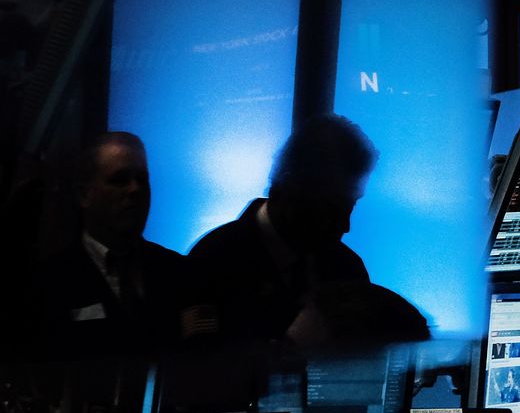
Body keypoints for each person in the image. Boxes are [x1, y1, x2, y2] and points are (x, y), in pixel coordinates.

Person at [186, 113, 378, 345]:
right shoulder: (212, 262)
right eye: (332, 207)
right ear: (291, 187)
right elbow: (201, 361)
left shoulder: (347, 269)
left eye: (350, 205)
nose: (345, 226)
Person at [37, 132, 190, 360]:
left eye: (142, 179)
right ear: (84, 195)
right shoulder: (46, 283)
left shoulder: (178, 272)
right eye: (119, 180)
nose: (135, 189)